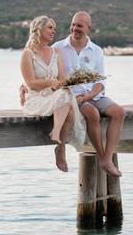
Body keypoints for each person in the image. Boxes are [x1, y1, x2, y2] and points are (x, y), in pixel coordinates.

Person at [53, 11, 125, 178]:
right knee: (92, 113)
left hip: (94, 95)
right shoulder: (58, 48)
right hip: (72, 97)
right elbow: (47, 72)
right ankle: (102, 158)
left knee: (119, 112)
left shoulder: (96, 50)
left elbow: (100, 81)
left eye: (79, 25)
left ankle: (106, 159)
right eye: (73, 24)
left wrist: (89, 95)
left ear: (88, 28)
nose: (75, 28)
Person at [19, 15, 85, 172]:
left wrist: (66, 84)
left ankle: (58, 142)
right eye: (50, 27)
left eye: (54, 28)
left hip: (55, 96)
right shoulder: (27, 54)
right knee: (66, 99)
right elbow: (30, 83)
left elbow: (62, 80)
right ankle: (60, 146)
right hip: (36, 99)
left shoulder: (55, 52)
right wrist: (50, 83)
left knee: (66, 94)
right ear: (38, 30)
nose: (53, 31)